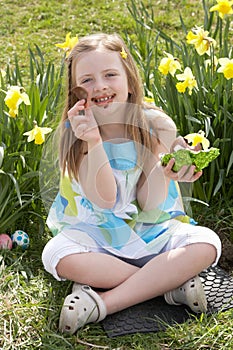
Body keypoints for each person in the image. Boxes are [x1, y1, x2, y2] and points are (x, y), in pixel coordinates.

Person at [42, 33, 221, 335]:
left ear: (128, 77)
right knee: (57, 254)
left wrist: (168, 168)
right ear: (75, 92)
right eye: (87, 80)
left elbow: (150, 203)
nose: (99, 86)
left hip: (151, 230)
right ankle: (168, 285)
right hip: (97, 234)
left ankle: (103, 303)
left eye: (110, 74)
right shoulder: (78, 132)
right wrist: (94, 141)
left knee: (206, 243)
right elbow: (105, 201)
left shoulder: (157, 124)